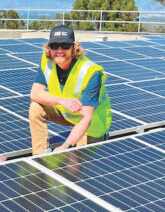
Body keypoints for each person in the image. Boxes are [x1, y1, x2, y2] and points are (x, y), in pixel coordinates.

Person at [29, 25, 111, 155]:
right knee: (36, 107)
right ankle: (38, 157)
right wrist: (61, 101)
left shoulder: (91, 72)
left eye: (65, 46)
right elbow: (35, 93)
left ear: (73, 47)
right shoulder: (47, 61)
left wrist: (65, 146)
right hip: (67, 113)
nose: (59, 50)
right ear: (49, 48)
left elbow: (86, 118)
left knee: (79, 163)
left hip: (92, 123)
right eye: (55, 46)